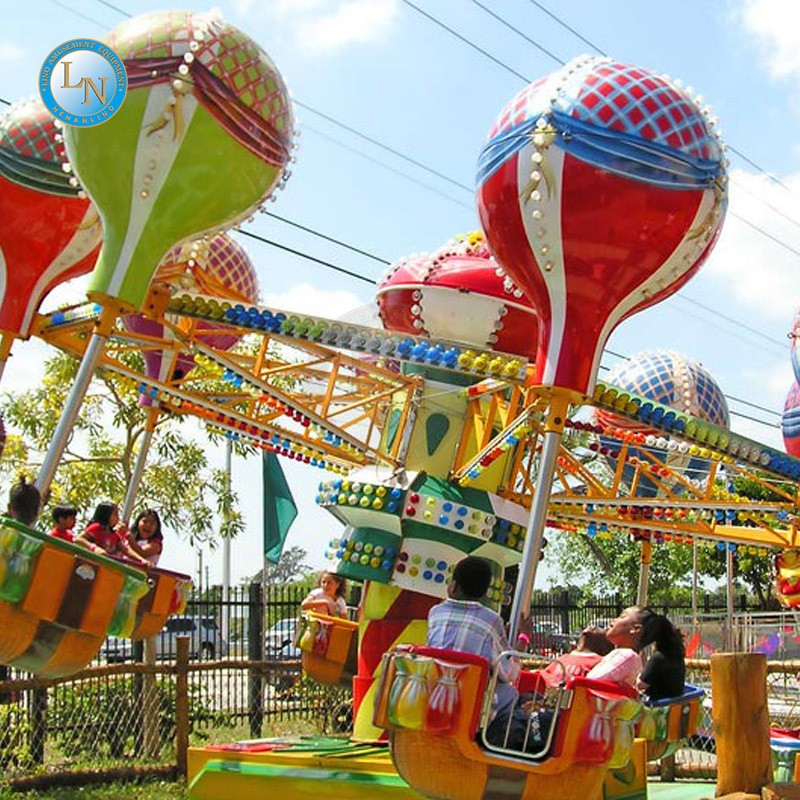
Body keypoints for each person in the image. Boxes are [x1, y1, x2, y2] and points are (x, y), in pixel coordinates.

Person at [427, 556, 549, 752]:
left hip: (434, 697)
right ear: (485, 593)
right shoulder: (491, 620)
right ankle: (512, 748)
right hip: (473, 705)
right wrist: (523, 638)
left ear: (453, 586)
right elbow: (508, 673)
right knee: (522, 699)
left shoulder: (435, 613)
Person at [586, 606, 685, 700]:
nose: (614, 620)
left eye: (622, 616)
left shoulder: (627, 656)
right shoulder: (623, 655)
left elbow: (587, 685)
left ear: (636, 629)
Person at [75, 501, 149, 567]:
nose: (118, 518)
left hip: (105, 566)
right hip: (90, 565)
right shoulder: (96, 527)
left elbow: (126, 550)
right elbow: (78, 539)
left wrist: (141, 560)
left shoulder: (114, 535)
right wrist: (94, 548)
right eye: (115, 514)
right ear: (106, 515)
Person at [537, 628, 614, 688]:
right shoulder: (564, 657)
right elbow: (544, 674)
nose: (593, 627)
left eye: (599, 629)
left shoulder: (600, 661)